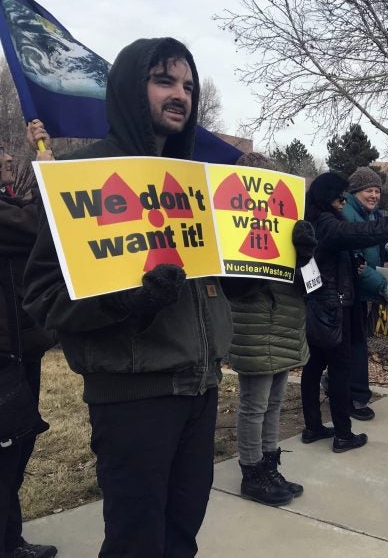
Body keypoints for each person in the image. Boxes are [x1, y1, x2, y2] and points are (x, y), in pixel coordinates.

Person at [23, 38, 235, 557]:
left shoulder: (196, 185)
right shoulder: (83, 176)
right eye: (165, 80)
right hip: (135, 397)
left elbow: (220, 280)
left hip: (201, 388)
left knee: (181, 536)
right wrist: (127, 299)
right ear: (128, 88)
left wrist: (285, 254)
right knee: (136, 543)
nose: (180, 94)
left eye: (187, 85)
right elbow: (44, 297)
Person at [227, 152, 317, 507]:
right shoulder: (233, 228)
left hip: (285, 323)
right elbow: (234, 286)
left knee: (275, 402)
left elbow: (310, 285)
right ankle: (252, 472)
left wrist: (305, 255)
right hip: (255, 325)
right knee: (255, 405)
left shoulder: (286, 223)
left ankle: (269, 465)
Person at [301, 172, 388, 453]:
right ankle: (343, 434)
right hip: (333, 306)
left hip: (319, 304)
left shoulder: (312, 220)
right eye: (340, 197)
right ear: (328, 197)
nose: (343, 202)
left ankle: (313, 426)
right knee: (339, 369)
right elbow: (352, 234)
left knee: (313, 367)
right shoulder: (326, 223)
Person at [1, 124, 57, 558]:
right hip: (5, 357)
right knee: (8, 452)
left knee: (18, 447)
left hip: (22, 350)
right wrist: (45, 169)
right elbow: (43, 222)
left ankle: (11, 539)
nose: (6, 160)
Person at [340, 166, 388, 421]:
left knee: (354, 343)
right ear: (355, 191)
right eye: (369, 190)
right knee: (353, 346)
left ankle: (344, 388)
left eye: (377, 190)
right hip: (349, 291)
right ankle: (355, 397)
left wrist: (387, 249)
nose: (374, 195)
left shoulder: (370, 215)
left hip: (360, 291)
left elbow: (372, 252)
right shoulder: (348, 215)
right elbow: (357, 262)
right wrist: (381, 285)